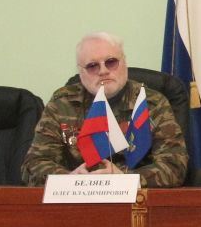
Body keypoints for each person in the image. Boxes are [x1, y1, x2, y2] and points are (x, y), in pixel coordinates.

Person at [21, 31, 189, 187]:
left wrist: (125, 179)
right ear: (81, 72)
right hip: (78, 198)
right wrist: (69, 179)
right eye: (92, 66)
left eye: (111, 62)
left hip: (136, 199)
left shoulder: (152, 103)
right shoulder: (62, 104)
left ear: (124, 63)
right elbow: (33, 164)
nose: (103, 71)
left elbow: (175, 165)